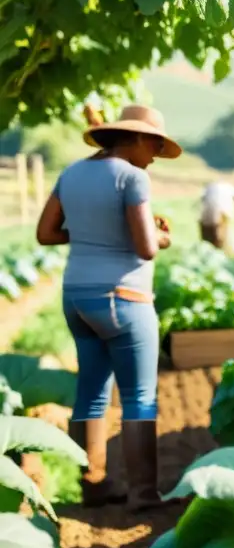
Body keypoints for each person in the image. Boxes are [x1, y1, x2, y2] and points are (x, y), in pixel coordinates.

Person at [35, 104, 180, 511]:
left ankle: (94, 484)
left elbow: (46, 233)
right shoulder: (133, 178)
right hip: (123, 298)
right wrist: (161, 237)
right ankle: (143, 494)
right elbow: (146, 248)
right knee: (139, 397)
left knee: (92, 391)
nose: (154, 154)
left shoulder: (72, 173)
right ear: (133, 137)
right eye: (153, 143)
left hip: (77, 297)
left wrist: (88, 234)